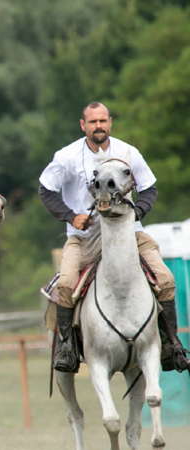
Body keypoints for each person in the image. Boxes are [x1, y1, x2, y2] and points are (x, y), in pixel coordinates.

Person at [39, 101, 189, 373]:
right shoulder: (67, 156)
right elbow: (46, 190)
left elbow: (149, 188)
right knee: (65, 284)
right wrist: (71, 217)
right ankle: (68, 350)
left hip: (129, 235)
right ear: (83, 125)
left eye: (103, 121)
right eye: (93, 121)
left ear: (110, 123)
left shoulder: (128, 152)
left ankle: (172, 346)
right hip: (83, 238)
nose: (99, 126)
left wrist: (137, 213)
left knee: (165, 279)